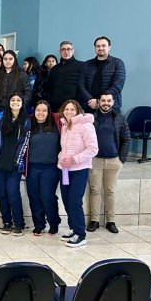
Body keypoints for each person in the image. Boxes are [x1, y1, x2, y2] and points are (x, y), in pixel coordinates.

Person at [87, 92, 130, 234]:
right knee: (95, 190)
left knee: (110, 191)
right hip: (95, 160)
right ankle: (94, 220)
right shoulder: (91, 118)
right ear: (99, 102)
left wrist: (121, 159)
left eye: (109, 100)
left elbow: (126, 139)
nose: (106, 103)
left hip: (113, 161)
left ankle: (111, 221)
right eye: (103, 100)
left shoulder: (120, 118)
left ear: (113, 102)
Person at [58, 100, 98, 248]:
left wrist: (73, 159)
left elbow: (93, 149)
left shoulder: (86, 125)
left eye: (72, 109)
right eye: (66, 109)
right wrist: (62, 159)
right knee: (66, 200)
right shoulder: (65, 125)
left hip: (79, 170)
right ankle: (73, 229)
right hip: (65, 170)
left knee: (75, 201)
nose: (69, 112)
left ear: (78, 111)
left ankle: (80, 235)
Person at [0, 94, 31, 236]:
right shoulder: (0, 117)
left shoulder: (26, 120)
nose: (15, 102)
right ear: (8, 102)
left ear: (22, 103)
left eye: (18, 100)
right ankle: (7, 222)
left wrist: (17, 160)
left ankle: (19, 224)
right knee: (1, 193)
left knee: (13, 193)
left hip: (15, 164)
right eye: (13, 100)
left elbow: (25, 142)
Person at [25, 100, 61, 236]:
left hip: (50, 168)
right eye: (38, 110)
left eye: (44, 110)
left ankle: (53, 222)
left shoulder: (56, 124)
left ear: (48, 112)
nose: (41, 113)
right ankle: (39, 225)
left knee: (47, 196)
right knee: (34, 197)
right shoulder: (29, 125)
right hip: (32, 168)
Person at [80, 36, 126, 113]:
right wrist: (90, 99)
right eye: (98, 46)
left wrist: (101, 101)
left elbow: (118, 85)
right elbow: (81, 84)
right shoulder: (87, 64)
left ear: (109, 47)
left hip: (110, 106)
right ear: (95, 48)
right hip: (90, 105)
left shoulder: (117, 63)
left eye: (103, 45)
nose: (100, 48)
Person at [44, 40, 84, 112]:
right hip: (56, 108)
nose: (66, 52)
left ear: (73, 51)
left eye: (68, 49)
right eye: (63, 49)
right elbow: (49, 89)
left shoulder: (82, 66)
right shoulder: (54, 69)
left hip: (75, 107)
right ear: (60, 51)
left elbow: (84, 87)